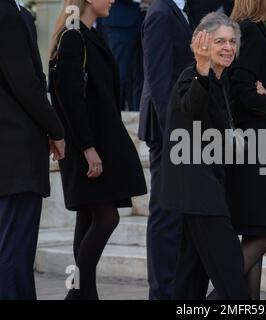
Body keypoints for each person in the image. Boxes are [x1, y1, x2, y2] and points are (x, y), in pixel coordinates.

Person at [49, 0, 147, 300]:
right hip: (86, 146)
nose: (114, 0)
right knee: (106, 218)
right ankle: (78, 294)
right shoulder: (74, 36)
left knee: (90, 218)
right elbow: (68, 97)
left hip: (95, 142)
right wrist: (88, 147)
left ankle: (82, 295)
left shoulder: (87, 33)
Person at [160, 12, 249, 300]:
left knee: (190, 273)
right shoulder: (193, 76)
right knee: (231, 271)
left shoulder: (221, 79)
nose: (228, 47)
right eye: (220, 41)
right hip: (199, 191)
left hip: (205, 188)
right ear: (203, 44)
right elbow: (192, 110)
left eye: (232, 41)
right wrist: (200, 68)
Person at [216, 0, 266, 300]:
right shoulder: (248, 31)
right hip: (255, 149)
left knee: (256, 229)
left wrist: (265, 95)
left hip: (257, 145)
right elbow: (242, 92)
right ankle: (217, 298)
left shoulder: (252, 30)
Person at [0, 0, 65, 300]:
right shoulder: (8, 13)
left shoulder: (18, 12)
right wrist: (56, 129)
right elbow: (26, 83)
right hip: (15, 152)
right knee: (15, 252)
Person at [138, 0, 194, 300]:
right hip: (168, 132)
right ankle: (162, 292)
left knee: (175, 213)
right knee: (165, 213)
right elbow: (158, 81)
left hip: (180, 130)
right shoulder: (161, 13)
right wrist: (173, 133)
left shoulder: (176, 11)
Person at [102, 0, 151, 111]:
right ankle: (110, 114)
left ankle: (140, 116)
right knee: (118, 74)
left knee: (143, 75)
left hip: (147, 18)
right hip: (121, 20)